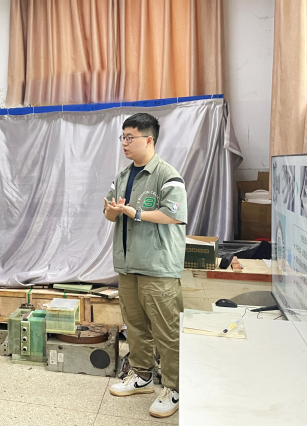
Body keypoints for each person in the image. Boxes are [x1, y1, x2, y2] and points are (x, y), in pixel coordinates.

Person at [104, 113, 187, 419]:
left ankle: (175, 388)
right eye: (123, 137)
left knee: (166, 331)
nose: (124, 143)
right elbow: (109, 213)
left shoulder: (167, 175)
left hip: (158, 267)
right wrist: (114, 211)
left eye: (130, 137)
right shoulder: (123, 175)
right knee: (136, 327)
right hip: (128, 265)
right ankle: (141, 376)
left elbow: (174, 215)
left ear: (148, 139)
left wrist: (135, 213)